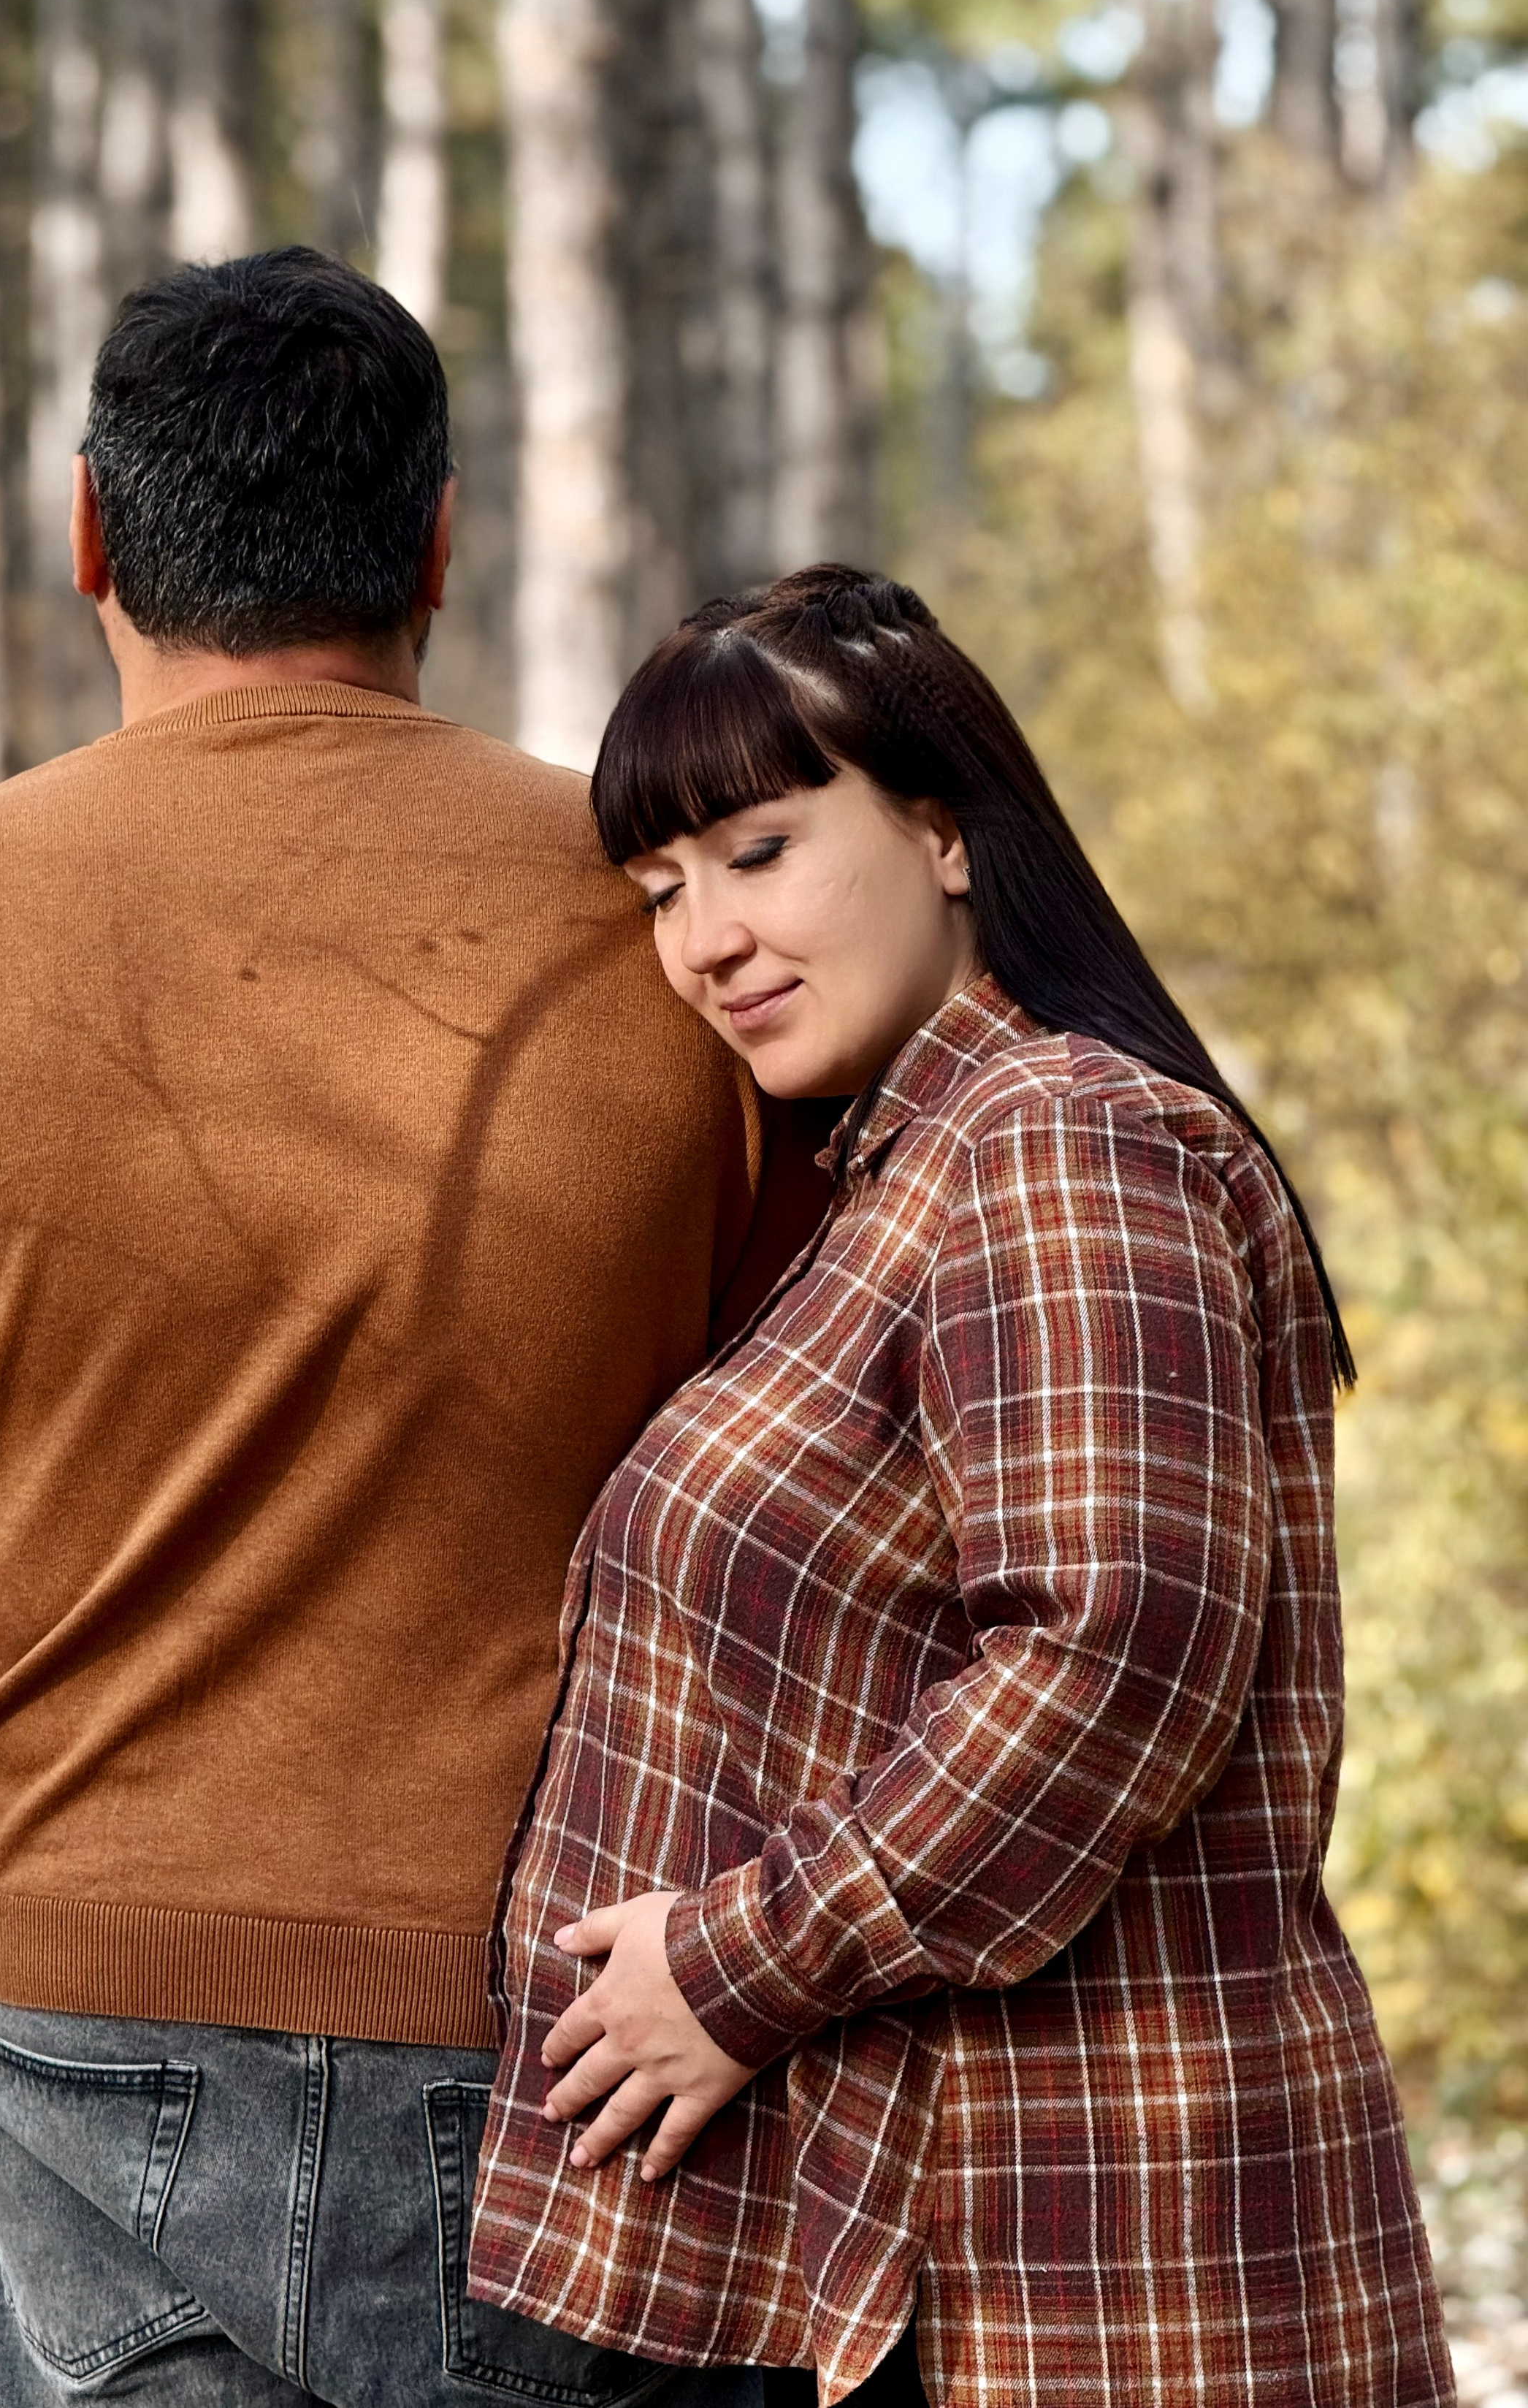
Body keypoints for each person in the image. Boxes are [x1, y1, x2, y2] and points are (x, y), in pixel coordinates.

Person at [0, 251, 821, 2407]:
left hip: (69, 1998)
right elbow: (834, 1480)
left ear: (91, 530)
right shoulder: (679, 932)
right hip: (585, 2015)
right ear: (440, 542)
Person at [469, 567, 1454, 2407]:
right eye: (662, 892)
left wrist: (733, 1966)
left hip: (1092, 2259)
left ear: (939, 827)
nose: (703, 942)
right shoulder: (901, 1171)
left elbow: (1113, 1647)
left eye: (757, 850)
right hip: (979, 2238)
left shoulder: (1056, 1139)